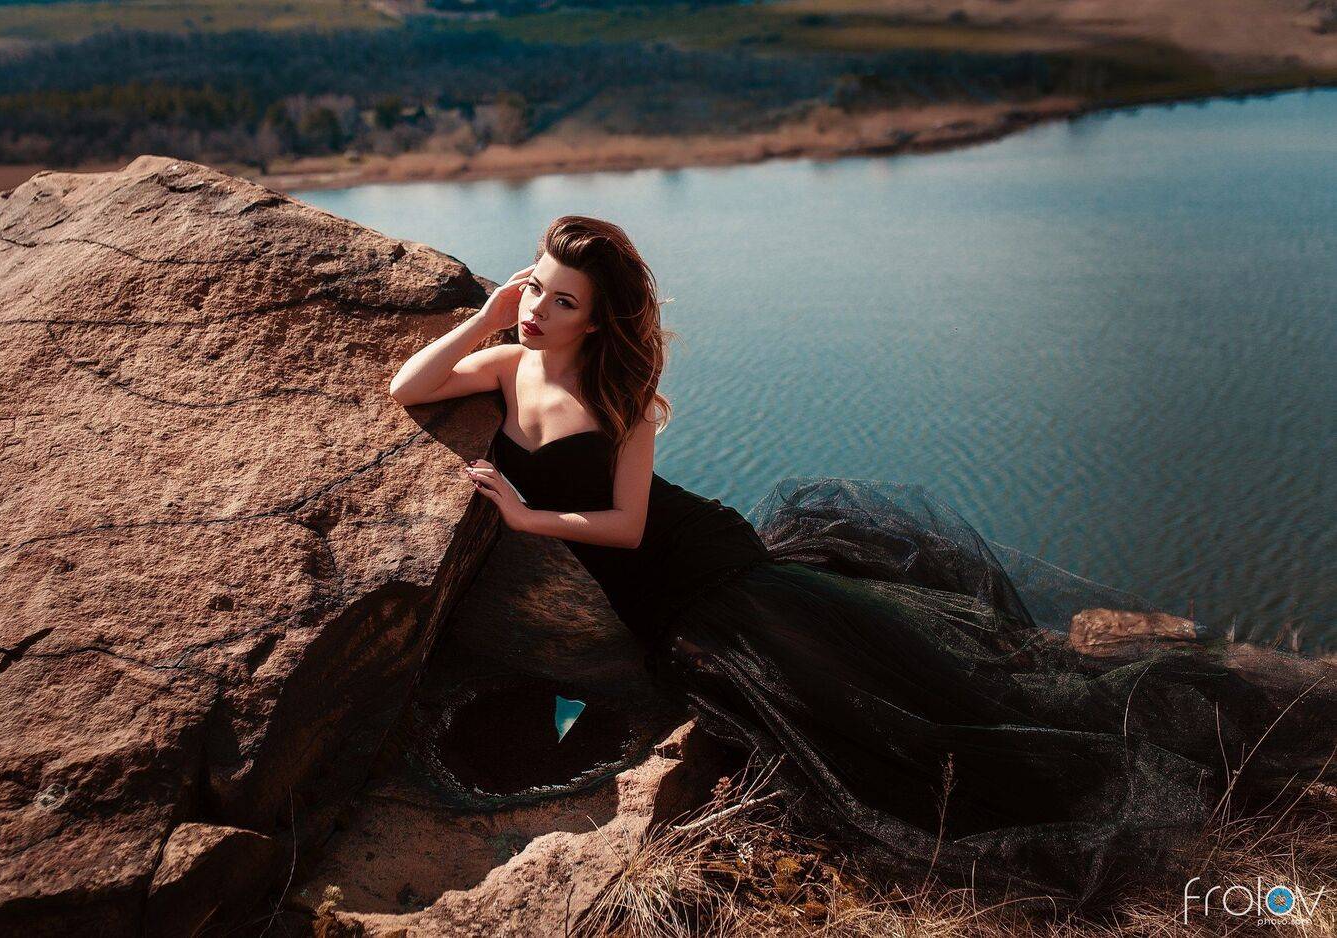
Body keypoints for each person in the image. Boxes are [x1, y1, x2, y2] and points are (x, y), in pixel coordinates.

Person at [387, 215, 1335, 907]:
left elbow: (630, 528)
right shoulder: (508, 361)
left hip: (705, 574)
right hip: (666, 602)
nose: (539, 309)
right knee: (862, 707)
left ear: (597, 321)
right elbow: (408, 388)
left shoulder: (620, 399)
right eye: (537, 288)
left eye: (562, 301)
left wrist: (529, 516)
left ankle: (1166, 760)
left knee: (903, 705)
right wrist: (488, 312)